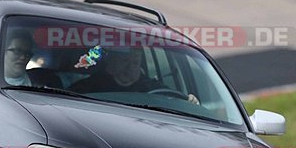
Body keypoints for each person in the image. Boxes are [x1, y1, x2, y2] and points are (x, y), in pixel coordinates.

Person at [72, 47, 200, 104]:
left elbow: (173, 102)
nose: (130, 67)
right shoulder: (87, 88)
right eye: (124, 61)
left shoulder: (154, 89)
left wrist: (188, 102)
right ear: (110, 62)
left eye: (135, 62)